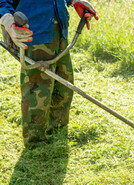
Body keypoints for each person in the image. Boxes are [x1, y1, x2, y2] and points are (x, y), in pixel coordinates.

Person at [0, 0, 98, 148]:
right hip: (33, 33)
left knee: (63, 87)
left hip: (59, 29)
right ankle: (35, 145)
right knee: (38, 93)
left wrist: (73, 1)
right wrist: (7, 19)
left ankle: (58, 133)